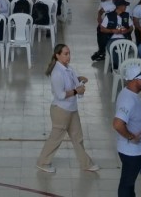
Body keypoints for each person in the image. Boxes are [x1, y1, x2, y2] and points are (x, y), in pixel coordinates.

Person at [36, 44, 99, 174]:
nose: (68, 56)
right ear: (57, 55)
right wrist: (77, 90)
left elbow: (72, 81)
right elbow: (60, 95)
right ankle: (42, 162)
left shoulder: (68, 69)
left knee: (78, 137)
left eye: (69, 53)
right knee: (56, 138)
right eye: (65, 54)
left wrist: (79, 79)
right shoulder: (57, 73)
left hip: (71, 109)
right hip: (61, 111)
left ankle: (86, 163)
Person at [113, 63, 141, 197]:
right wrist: (130, 136)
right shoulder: (128, 100)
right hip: (131, 152)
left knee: (129, 184)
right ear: (135, 80)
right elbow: (118, 124)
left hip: (135, 151)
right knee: (127, 184)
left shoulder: (131, 94)